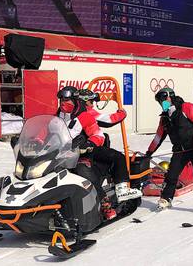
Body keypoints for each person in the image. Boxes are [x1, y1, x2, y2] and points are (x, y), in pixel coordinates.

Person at [56, 86, 142, 220]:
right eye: (62, 99)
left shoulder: (85, 115)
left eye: (67, 100)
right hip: (60, 154)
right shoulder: (57, 116)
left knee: (83, 170)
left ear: (75, 100)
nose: (63, 103)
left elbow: (98, 133)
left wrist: (89, 144)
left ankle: (104, 203)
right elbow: (46, 132)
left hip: (82, 152)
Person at [145, 87, 193, 214]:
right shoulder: (165, 118)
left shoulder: (187, 107)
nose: (162, 102)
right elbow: (158, 137)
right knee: (171, 174)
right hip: (180, 150)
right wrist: (149, 152)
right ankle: (166, 198)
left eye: (164, 99)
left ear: (170, 97)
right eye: (160, 101)